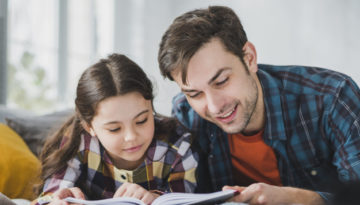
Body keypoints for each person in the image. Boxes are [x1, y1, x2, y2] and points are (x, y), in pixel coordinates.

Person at [158, 5, 360, 205]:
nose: (214, 107)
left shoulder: (332, 97)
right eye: (195, 94)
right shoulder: (186, 114)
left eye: (221, 82)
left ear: (249, 58)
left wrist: (297, 199)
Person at [33, 54, 198, 205]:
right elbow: (50, 195)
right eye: (114, 129)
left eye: (142, 120)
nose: (131, 137)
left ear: (151, 107)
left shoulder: (178, 144)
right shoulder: (78, 140)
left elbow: (183, 199)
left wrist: (155, 198)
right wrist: (58, 199)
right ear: (89, 127)